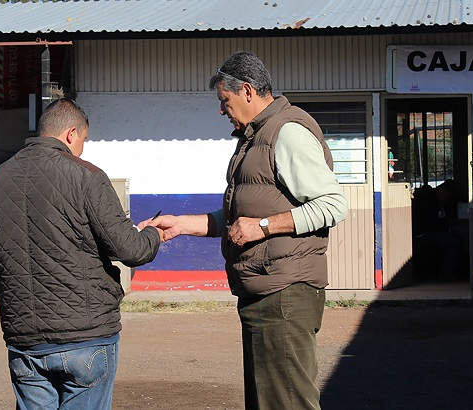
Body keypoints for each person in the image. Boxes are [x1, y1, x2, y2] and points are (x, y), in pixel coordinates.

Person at [141, 51, 348, 409]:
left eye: (225, 100)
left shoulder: (287, 132)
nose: (222, 110)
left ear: (248, 91)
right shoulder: (255, 137)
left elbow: (333, 205)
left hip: (284, 294)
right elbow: (239, 219)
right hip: (264, 292)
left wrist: (264, 227)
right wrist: (182, 225)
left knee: (287, 403)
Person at [0, 98, 164, 410]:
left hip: (25, 340)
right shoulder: (86, 176)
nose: (81, 149)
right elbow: (130, 249)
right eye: (84, 140)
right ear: (71, 134)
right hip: (85, 335)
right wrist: (153, 235)